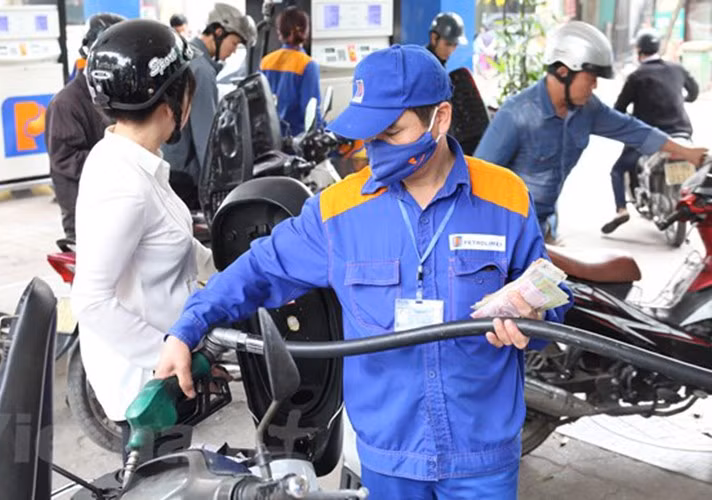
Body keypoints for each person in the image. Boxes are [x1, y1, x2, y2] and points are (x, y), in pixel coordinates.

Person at [155, 44, 573, 499]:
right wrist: (187, 328)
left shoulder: (505, 196)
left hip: (482, 454)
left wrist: (535, 322)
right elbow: (258, 269)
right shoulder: (338, 210)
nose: (376, 150)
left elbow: (548, 295)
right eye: (368, 136)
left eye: (391, 133)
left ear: (441, 118)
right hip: (389, 454)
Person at [70, 19, 216, 459]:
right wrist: (168, 354)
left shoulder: (133, 159)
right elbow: (91, 300)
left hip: (167, 366)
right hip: (148, 388)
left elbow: (179, 246)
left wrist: (237, 276)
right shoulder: (126, 186)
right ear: (172, 100)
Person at [474, 21, 707, 242]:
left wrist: (686, 152)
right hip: (507, 230)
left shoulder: (587, 109)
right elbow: (476, 180)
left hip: (544, 228)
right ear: (564, 71)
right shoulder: (517, 114)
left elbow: (634, 130)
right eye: (591, 77)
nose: (594, 86)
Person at [601, 28, 700, 234]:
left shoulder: (636, 76)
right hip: (682, 134)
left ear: (639, 51)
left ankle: (621, 210)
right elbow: (694, 91)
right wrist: (683, 99)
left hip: (649, 137)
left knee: (618, 170)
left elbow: (618, 109)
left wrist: (627, 117)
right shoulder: (677, 69)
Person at [161, 3, 256, 211]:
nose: (233, 51)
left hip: (171, 168)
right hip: (186, 177)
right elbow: (207, 140)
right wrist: (221, 186)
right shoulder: (202, 70)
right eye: (234, 43)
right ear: (218, 32)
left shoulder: (186, 55)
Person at [45, 13, 124, 240]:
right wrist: (122, 162)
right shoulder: (66, 104)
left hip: (113, 209)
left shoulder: (109, 97)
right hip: (87, 218)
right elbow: (66, 159)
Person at [260, 6, 322, 136]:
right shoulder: (308, 65)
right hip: (295, 139)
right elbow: (310, 111)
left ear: (280, 32)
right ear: (306, 30)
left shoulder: (266, 61)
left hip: (269, 139)